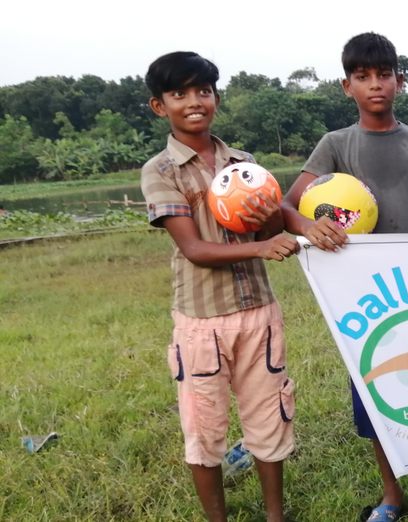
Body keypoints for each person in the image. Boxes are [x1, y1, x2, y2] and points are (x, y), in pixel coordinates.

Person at [279, 33, 408, 522]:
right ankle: (391, 495)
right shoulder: (335, 145)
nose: (375, 84)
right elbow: (287, 205)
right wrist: (308, 227)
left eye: (384, 74)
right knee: (376, 389)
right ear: (347, 86)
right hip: (364, 295)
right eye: (362, 77)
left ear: (399, 81)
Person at [140, 51, 299, 522]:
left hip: (259, 312)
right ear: (159, 106)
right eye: (179, 93)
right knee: (204, 426)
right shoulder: (161, 171)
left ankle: (275, 516)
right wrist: (261, 247)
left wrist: (272, 219)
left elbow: (271, 226)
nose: (194, 101)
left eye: (203, 91)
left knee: (269, 415)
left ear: (216, 98)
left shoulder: (244, 163)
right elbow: (194, 248)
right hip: (201, 322)